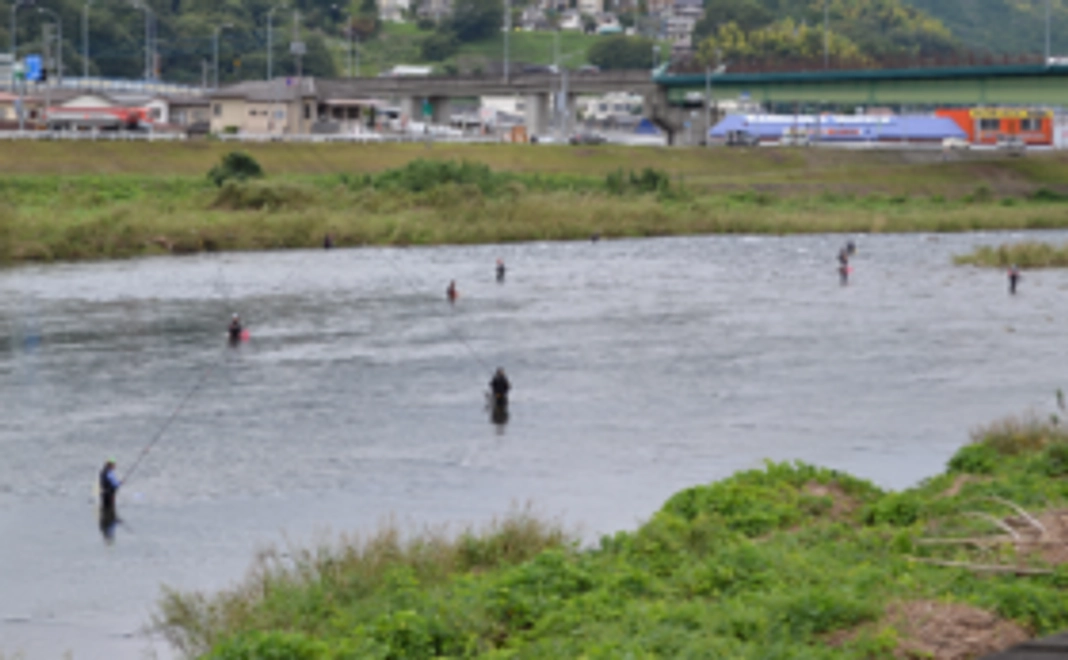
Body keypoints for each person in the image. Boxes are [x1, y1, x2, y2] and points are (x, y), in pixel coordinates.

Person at [99, 459, 121, 541]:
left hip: (103, 494)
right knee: (110, 509)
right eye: (114, 464)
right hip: (109, 494)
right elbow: (115, 484)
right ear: (110, 465)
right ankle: (111, 519)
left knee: (105, 509)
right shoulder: (109, 473)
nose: (115, 466)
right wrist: (120, 483)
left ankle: (109, 519)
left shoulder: (103, 472)